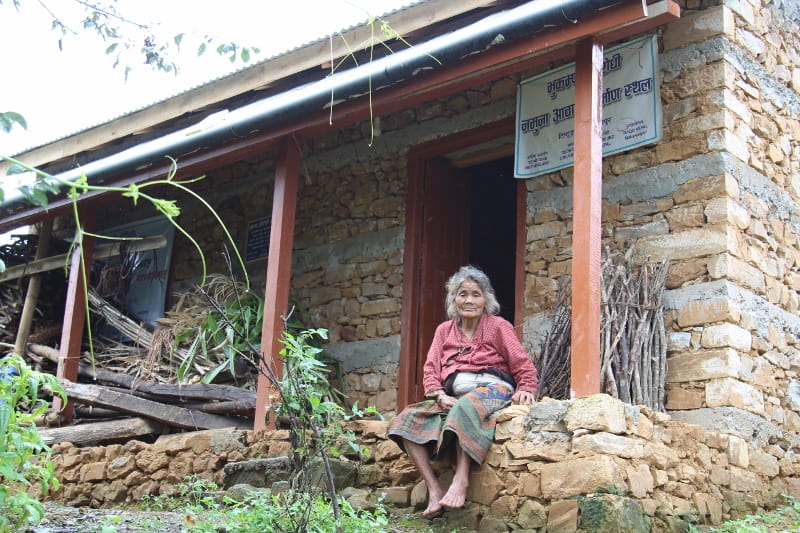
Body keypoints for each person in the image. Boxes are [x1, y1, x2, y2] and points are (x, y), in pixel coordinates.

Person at [388, 265, 538, 517]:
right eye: (463, 294)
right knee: (406, 420)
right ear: (453, 299)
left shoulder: (499, 326)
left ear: (486, 299)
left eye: (476, 294)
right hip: (453, 394)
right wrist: (438, 394)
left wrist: (526, 387)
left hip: (494, 388)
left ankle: (461, 478)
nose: (469, 300)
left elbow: (522, 363)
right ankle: (434, 490)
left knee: (466, 405)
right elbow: (431, 368)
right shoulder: (443, 331)